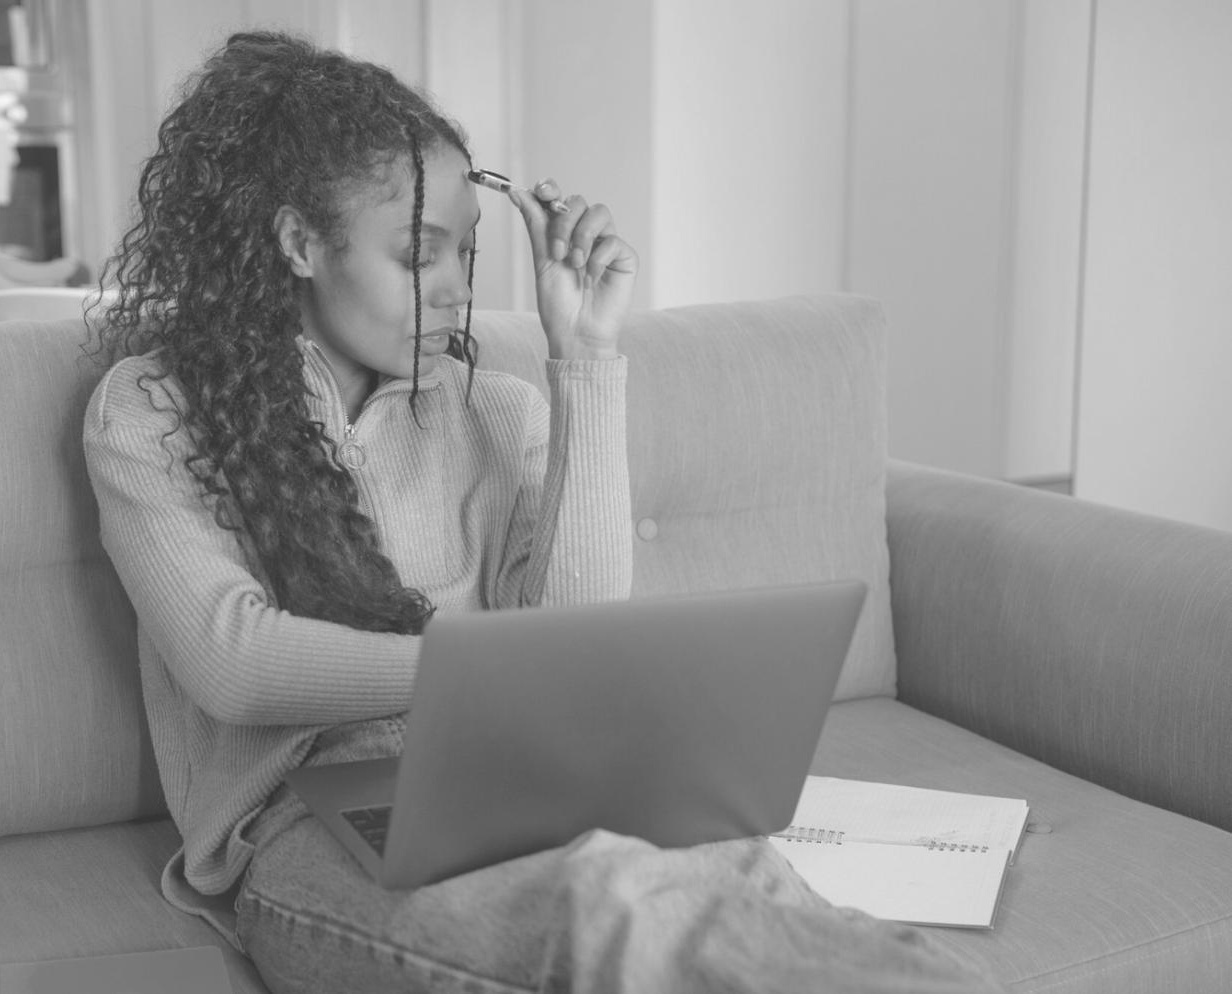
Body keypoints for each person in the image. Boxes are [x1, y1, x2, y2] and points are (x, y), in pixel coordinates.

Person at [84, 29, 1004, 994]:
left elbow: (580, 629)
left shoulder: (493, 406)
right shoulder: (152, 412)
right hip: (309, 819)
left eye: (466, 253)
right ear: (299, 243)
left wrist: (587, 356)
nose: (453, 290)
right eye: (416, 254)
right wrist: (485, 669)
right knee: (609, 912)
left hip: (535, 772)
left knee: (745, 883)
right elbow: (237, 664)